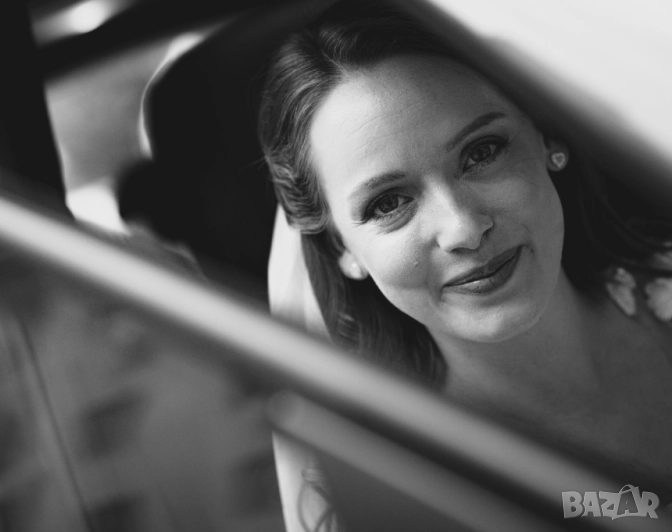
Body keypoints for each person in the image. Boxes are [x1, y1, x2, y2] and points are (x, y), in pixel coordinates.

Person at [257, 1, 672, 530]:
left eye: (482, 152)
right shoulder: (412, 498)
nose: (463, 228)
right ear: (342, 247)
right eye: (388, 203)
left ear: (547, 139)